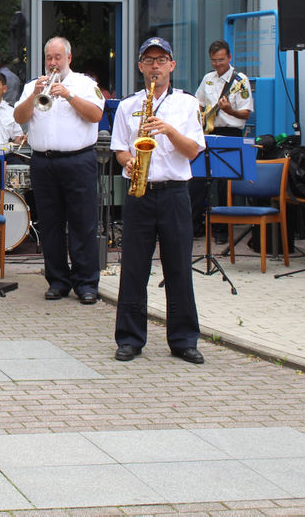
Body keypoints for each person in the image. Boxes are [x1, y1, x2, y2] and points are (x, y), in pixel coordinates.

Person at [111, 37, 206, 364]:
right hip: (139, 192)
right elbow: (120, 148)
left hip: (175, 193)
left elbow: (193, 150)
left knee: (179, 267)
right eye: (149, 60)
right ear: (140, 66)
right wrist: (128, 162)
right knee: (134, 269)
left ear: (172, 65)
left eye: (161, 60)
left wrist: (167, 130)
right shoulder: (127, 106)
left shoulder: (188, 104)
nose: (155, 66)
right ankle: (129, 338)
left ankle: (184, 340)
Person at [14, 37, 104, 304]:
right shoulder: (34, 86)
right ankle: (57, 281)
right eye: (49, 58)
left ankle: (86, 283)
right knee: (50, 225)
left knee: (82, 224)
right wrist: (34, 94)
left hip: (78, 161)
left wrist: (69, 95)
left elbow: (96, 115)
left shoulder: (85, 85)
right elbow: (19, 118)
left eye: (58, 57)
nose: (53, 63)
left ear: (69, 58)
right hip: (43, 162)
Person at [191, 39, 254, 239]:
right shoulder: (208, 78)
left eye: (221, 60)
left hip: (230, 133)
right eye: (214, 60)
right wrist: (199, 117)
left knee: (224, 185)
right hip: (208, 132)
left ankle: (222, 231)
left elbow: (246, 114)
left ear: (229, 58)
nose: (218, 64)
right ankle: (195, 226)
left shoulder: (240, 81)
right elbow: (198, 102)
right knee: (197, 180)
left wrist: (230, 110)